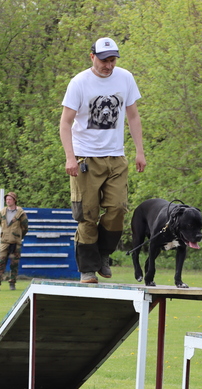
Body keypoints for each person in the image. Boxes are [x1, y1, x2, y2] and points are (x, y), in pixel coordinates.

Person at [60, 37, 146, 284]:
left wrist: (140, 151)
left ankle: (104, 253)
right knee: (87, 214)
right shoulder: (79, 83)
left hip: (116, 156)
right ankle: (88, 269)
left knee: (118, 208)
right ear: (92, 57)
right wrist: (70, 157)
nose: (108, 65)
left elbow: (133, 116)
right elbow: (65, 123)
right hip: (86, 158)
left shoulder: (125, 78)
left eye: (112, 60)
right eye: (104, 60)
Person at [0, 192, 29, 291]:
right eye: (6, 199)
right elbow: (0, 224)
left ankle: (12, 283)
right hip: (4, 242)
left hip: (15, 243)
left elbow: (25, 227)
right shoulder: (2, 212)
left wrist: (18, 236)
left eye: (10, 199)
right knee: (0, 264)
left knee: (14, 264)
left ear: (14, 200)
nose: (8, 201)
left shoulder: (21, 213)